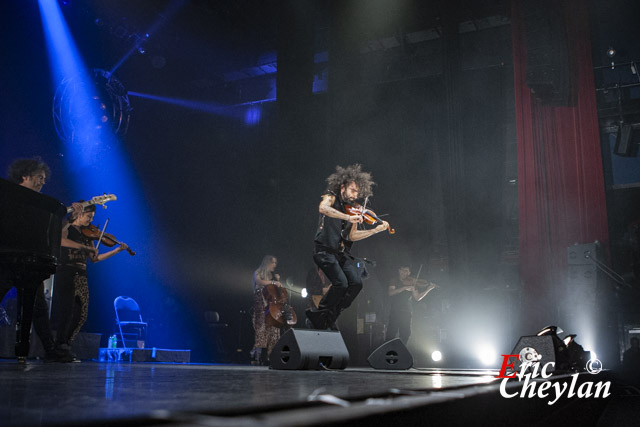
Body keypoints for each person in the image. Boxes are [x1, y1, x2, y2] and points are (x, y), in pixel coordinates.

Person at [306, 164, 389, 330]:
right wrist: (346, 216)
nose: (355, 195)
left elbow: (352, 236)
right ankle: (318, 315)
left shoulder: (353, 210)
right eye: (352, 190)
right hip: (324, 251)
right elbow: (323, 208)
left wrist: (375, 230)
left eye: (357, 192)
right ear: (343, 187)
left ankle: (329, 318)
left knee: (356, 284)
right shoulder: (331, 197)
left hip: (340, 254)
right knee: (341, 283)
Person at [1, 158, 61, 361]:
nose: (42, 182)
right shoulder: (7, 195)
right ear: (24, 176)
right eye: (38, 178)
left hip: (29, 259)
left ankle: (48, 350)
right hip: (6, 257)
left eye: (44, 179)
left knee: (39, 307)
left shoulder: (39, 205)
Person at [54, 203, 129, 361]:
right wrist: (70, 219)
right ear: (80, 214)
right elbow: (59, 239)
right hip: (66, 271)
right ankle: (59, 346)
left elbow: (94, 259)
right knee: (66, 311)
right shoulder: (67, 227)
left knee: (81, 314)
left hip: (82, 273)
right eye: (88, 216)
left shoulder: (88, 235)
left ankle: (66, 344)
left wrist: (116, 250)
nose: (90, 220)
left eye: (92, 218)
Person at [387, 266, 437, 344]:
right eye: (402, 270)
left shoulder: (412, 283)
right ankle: (389, 352)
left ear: (409, 273)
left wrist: (429, 289)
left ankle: (402, 351)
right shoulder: (394, 280)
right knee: (391, 333)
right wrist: (404, 288)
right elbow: (391, 292)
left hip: (407, 311)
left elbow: (417, 298)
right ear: (399, 271)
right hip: (395, 311)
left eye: (406, 271)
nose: (404, 272)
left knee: (405, 334)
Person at [250, 255, 283, 365]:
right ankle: (260, 355)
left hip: (271, 306)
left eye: (275, 263)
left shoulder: (272, 276)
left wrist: (277, 281)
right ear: (267, 263)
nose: (275, 265)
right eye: (273, 262)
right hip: (261, 304)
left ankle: (270, 355)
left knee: (273, 329)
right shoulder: (258, 272)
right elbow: (259, 282)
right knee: (261, 327)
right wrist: (273, 282)